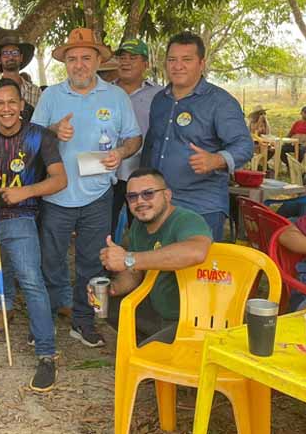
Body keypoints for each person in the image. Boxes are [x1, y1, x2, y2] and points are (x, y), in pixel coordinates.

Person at [31, 28, 142, 348]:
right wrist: (53, 130)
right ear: (65, 63)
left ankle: (84, 320)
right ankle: (45, 319)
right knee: (51, 262)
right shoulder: (51, 96)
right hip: (56, 194)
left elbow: (134, 138)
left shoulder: (116, 97)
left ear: (97, 61)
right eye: (72, 59)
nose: (79, 64)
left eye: (85, 58)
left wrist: (120, 153)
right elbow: (31, 139)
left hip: (98, 194)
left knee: (93, 263)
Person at [0, 78, 68, 392]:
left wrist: (26, 192)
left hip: (19, 217)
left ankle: (46, 354)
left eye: (11, 103)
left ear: (21, 106)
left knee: (31, 280)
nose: (5, 109)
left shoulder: (39, 137)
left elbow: (60, 179)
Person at [142, 31, 253, 241]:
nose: (178, 66)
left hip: (201, 204)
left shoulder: (220, 102)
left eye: (187, 59)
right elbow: (151, 144)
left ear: (201, 64)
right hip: (160, 201)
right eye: (172, 60)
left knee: (199, 271)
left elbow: (244, 145)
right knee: (160, 268)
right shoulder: (160, 100)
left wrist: (217, 160)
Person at [100, 168, 212, 345]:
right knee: (110, 302)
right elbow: (134, 273)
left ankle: (158, 350)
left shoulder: (186, 220)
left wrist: (129, 258)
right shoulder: (139, 224)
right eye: (132, 197)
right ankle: (151, 344)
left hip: (190, 319)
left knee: (144, 363)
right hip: (157, 311)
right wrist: (113, 288)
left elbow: (196, 252)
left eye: (148, 194)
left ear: (167, 195)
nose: (140, 201)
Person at [112, 38, 162, 234]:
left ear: (146, 64)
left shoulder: (159, 95)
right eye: (122, 57)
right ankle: (106, 265)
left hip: (144, 172)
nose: (125, 62)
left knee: (145, 229)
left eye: (133, 58)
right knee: (104, 228)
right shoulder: (104, 92)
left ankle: (145, 264)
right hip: (109, 174)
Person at [0, 36, 42, 108]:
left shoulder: (36, 91)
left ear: (21, 57)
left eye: (15, 52)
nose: (10, 57)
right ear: (0, 59)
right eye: (5, 53)